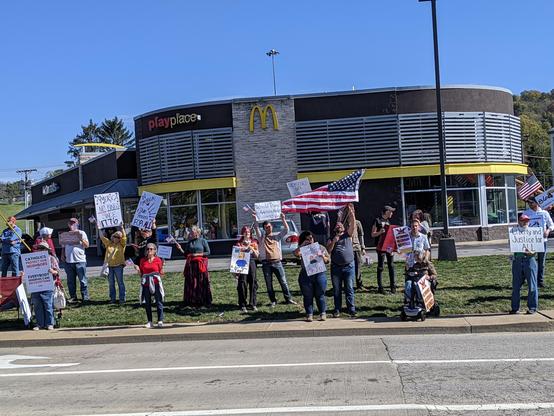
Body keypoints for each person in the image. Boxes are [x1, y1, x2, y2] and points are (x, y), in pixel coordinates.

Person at [253, 212, 297, 307]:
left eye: (269, 226)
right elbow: (256, 228)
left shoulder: (277, 236)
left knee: (283, 281)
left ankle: (288, 299)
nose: (268, 228)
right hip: (266, 263)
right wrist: (255, 218)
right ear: (264, 228)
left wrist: (283, 218)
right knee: (269, 283)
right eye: (266, 227)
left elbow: (286, 229)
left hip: (277, 262)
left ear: (271, 226)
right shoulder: (261, 238)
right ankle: (273, 301)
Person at [326, 204, 357, 318]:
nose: (339, 226)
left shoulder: (347, 234)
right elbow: (328, 250)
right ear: (335, 228)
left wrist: (351, 213)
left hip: (348, 266)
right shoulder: (331, 237)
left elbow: (353, 224)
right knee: (337, 290)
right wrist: (334, 241)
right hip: (336, 267)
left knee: (349, 288)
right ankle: (337, 309)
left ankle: (351, 308)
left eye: (341, 225)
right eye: (337, 226)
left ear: (344, 227)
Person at [294, 231, 330, 322]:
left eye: (311, 238)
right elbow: (295, 254)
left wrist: (322, 256)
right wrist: (302, 245)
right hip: (306, 275)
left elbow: (328, 260)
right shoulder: (302, 249)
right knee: (308, 295)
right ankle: (309, 314)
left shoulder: (320, 247)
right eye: (307, 239)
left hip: (319, 273)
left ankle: (322, 313)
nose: (310, 240)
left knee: (320, 294)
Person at [176, 225, 212, 307]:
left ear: (197, 232)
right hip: (191, 266)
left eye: (192, 231)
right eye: (190, 231)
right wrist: (180, 249)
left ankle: (203, 300)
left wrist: (197, 254)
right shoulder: (189, 242)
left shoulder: (203, 241)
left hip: (200, 265)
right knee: (192, 282)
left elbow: (208, 252)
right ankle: (192, 300)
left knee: (201, 282)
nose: (190, 232)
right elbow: (186, 254)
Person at [510, 214, 538, 314]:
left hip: (530, 259)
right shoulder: (513, 232)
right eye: (523, 220)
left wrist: (533, 252)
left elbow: (537, 247)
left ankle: (533, 307)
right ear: (519, 222)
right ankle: (515, 308)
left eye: (527, 220)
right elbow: (511, 245)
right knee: (516, 286)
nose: (525, 222)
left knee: (532, 285)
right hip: (517, 260)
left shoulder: (534, 232)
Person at [523, 196, 554, 288]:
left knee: (541, 262)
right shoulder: (526, 213)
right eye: (528, 202)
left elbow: (552, 224)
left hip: (542, 241)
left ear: (536, 203)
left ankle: (540, 281)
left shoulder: (544, 213)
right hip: (530, 241)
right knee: (528, 261)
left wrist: (548, 231)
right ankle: (527, 280)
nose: (529, 204)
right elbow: (521, 225)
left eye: (531, 202)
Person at [30, 241, 59, 330]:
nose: (40, 250)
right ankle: (39, 324)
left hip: (48, 285)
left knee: (48, 305)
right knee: (37, 306)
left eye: (42, 248)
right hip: (36, 285)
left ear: (46, 250)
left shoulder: (51, 259)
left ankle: (50, 323)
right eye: (39, 248)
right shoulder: (33, 259)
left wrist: (53, 271)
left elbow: (57, 271)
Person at [134, 243, 164, 328]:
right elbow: (141, 274)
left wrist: (163, 267)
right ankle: (150, 321)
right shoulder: (142, 260)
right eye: (147, 249)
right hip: (146, 283)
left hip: (156, 282)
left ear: (155, 251)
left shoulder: (158, 260)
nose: (149, 251)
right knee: (147, 303)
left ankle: (160, 320)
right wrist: (138, 270)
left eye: (151, 249)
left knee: (159, 301)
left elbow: (161, 274)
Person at [60, 218, 89, 303]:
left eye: (74, 223)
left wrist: (80, 238)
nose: (72, 224)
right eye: (71, 223)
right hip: (69, 261)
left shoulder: (81, 233)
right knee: (70, 281)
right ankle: (73, 297)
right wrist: (62, 255)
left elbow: (87, 245)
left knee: (83, 280)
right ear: (68, 224)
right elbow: (63, 246)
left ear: (77, 224)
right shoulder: (65, 234)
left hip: (80, 261)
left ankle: (85, 297)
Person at [99, 225, 127, 304]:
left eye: (118, 237)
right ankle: (113, 299)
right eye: (115, 236)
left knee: (120, 283)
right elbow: (102, 237)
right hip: (110, 267)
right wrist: (99, 228)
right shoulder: (108, 243)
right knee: (111, 283)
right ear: (112, 237)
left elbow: (124, 237)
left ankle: (122, 299)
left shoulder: (122, 245)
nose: (116, 238)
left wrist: (122, 228)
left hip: (119, 266)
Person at [371, 205, 397, 294]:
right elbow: (372, 234)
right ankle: (380, 287)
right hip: (380, 247)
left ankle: (393, 286)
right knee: (381, 267)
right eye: (391, 211)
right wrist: (379, 232)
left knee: (391, 265)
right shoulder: (377, 220)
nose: (392, 213)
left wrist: (393, 249)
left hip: (389, 247)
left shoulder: (388, 222)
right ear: (386, 212)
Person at [234, 226, 259, 313]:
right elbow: (236, 254)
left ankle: (253, 303)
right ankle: (242, 304)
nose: (247, 233)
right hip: (242, 262)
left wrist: (251, 247)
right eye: (245, 232)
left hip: (251, 262)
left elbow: (257, 255)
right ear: (242, 233)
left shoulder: (254, 242)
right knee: (242, 283)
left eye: (248, 232)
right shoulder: (239, 243)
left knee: (253, 282)